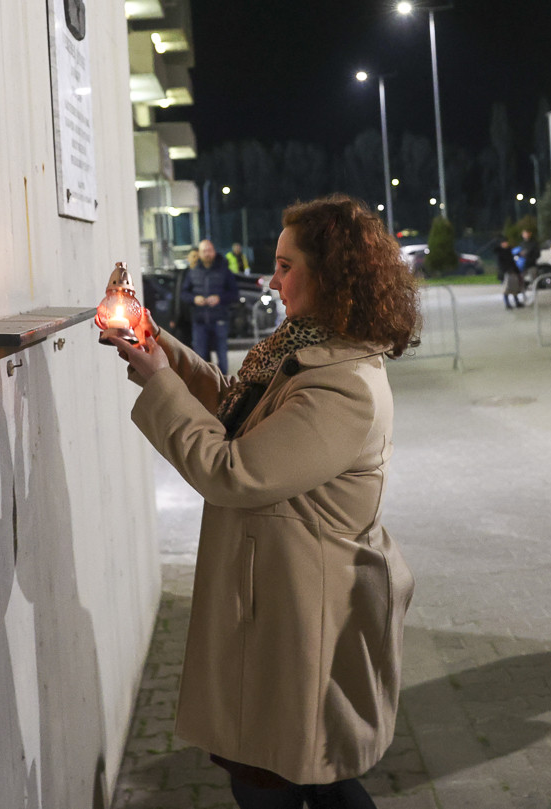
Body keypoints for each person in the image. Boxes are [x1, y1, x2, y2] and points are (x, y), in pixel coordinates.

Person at [105, 195, 417, 809]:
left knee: (281, 774)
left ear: (330, 277)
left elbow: (234, 471)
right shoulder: (306, 348)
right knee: (307, 770)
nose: (272, 281)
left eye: (285, 266)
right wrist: (157, 346)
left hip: (303, 615)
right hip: (281, 600)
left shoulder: (342, 384)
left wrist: (159, 379)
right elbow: (236, 407)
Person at [180, 239, 239, 373]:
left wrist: (220, 298)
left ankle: (224, 382)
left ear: (214, 251)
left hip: (220, 320)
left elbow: (234, 294)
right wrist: (194, 299)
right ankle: (204, 383)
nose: (207, 254)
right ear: (199, 253)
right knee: (200, 358)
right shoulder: (193, 271)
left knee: (222, 356)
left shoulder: (224, 270)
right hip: (199, 321)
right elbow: (183, 294)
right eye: (204, 251)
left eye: (209, 250)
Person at [495, 238, 525, 308]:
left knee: (515, 288)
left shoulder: (509, 251)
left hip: (512, 272)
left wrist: (517, 271)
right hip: (505, 273)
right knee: (506, 289)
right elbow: (500, 264)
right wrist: (506, 270)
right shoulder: (500, 253)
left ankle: (516, 302)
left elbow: (512, 262)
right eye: (504, 243)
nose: (505, 244)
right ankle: (507, 303)